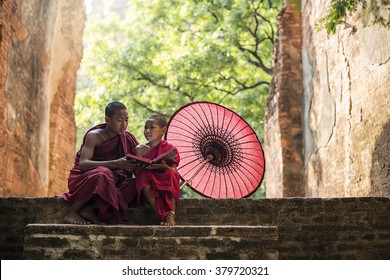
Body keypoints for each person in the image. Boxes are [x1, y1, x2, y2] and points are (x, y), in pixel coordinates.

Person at [62, 101, 138, 225]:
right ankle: (72, 211)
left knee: (135, 183)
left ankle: (91, 209)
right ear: (107, 119)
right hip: (85, 179)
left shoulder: (127, 138)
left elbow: (138, 156)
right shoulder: (94, 136)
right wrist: (116, 163)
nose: (124, 125)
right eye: (120, 120)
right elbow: (83, 164)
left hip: (112, 179)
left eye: (126, 120)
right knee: (103, 173)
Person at [134, 114, 180, 226]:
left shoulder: (170, 148)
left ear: (163, 130)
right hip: (149, 179)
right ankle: (163, 215)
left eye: (152, 127)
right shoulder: (140, 149)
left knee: (172, 173)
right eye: (145, 128)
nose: (147, 131)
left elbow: (174, 170)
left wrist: (164, 167)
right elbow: (136, 171)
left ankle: (171, 213)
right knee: (142, 175)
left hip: (164, 175)